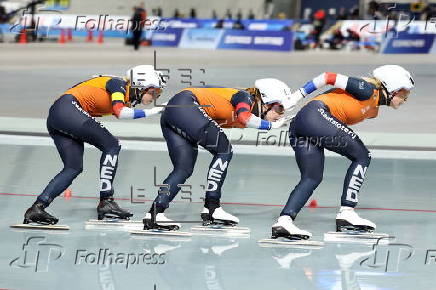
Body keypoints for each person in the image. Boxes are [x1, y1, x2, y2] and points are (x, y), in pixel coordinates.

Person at [272, 65, 414, 240]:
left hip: (304, 123)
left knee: (312, 177)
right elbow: (328, 76)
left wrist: (303, 117)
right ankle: (347, 212)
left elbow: (331, 99)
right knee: (362, 156)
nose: (405, 98)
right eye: (403, 93)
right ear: (391, 87)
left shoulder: (373, 110)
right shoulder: (367, 89)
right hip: (314, 117)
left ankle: (284, 221)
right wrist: (296, 96)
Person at [143, 79, 296, 230]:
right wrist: (271, 125)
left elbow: (206, 90)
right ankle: (212, 207)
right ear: (266, 101)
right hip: (186, 106)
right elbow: (244, 117)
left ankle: (154, 213)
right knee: (224, 150)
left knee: (183, 169)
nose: (281, 115)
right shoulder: (245, 98)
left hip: (176, 109)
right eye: (280, 108)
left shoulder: (244, 100)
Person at [23, 65, 166, 225]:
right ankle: (106, 201)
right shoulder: (117, 84)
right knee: (112, 145)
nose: (154, 97)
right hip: (68, 109)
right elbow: (120, 113)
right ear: (139, 86)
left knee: (73, 168)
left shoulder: (124, 94)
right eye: (153, 92)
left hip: (59, 115)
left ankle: (37, 207)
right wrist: (155, 111)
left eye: (158, 93)